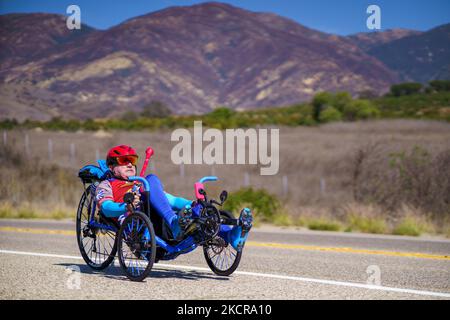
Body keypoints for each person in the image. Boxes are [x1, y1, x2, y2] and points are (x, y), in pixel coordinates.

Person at [95, 144, 252, 249]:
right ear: (111, 167)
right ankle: (174, 222)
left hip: (163, 222)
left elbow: (170, 200)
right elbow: (106, 208)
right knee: (151, 180)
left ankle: (232, 236)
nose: (130, 164)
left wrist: (193, 205)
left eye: (132, 160)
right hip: (139, 228)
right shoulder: (106, 185)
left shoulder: (140, 184)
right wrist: (126, 205)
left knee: (198, 214)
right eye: (124, 161)